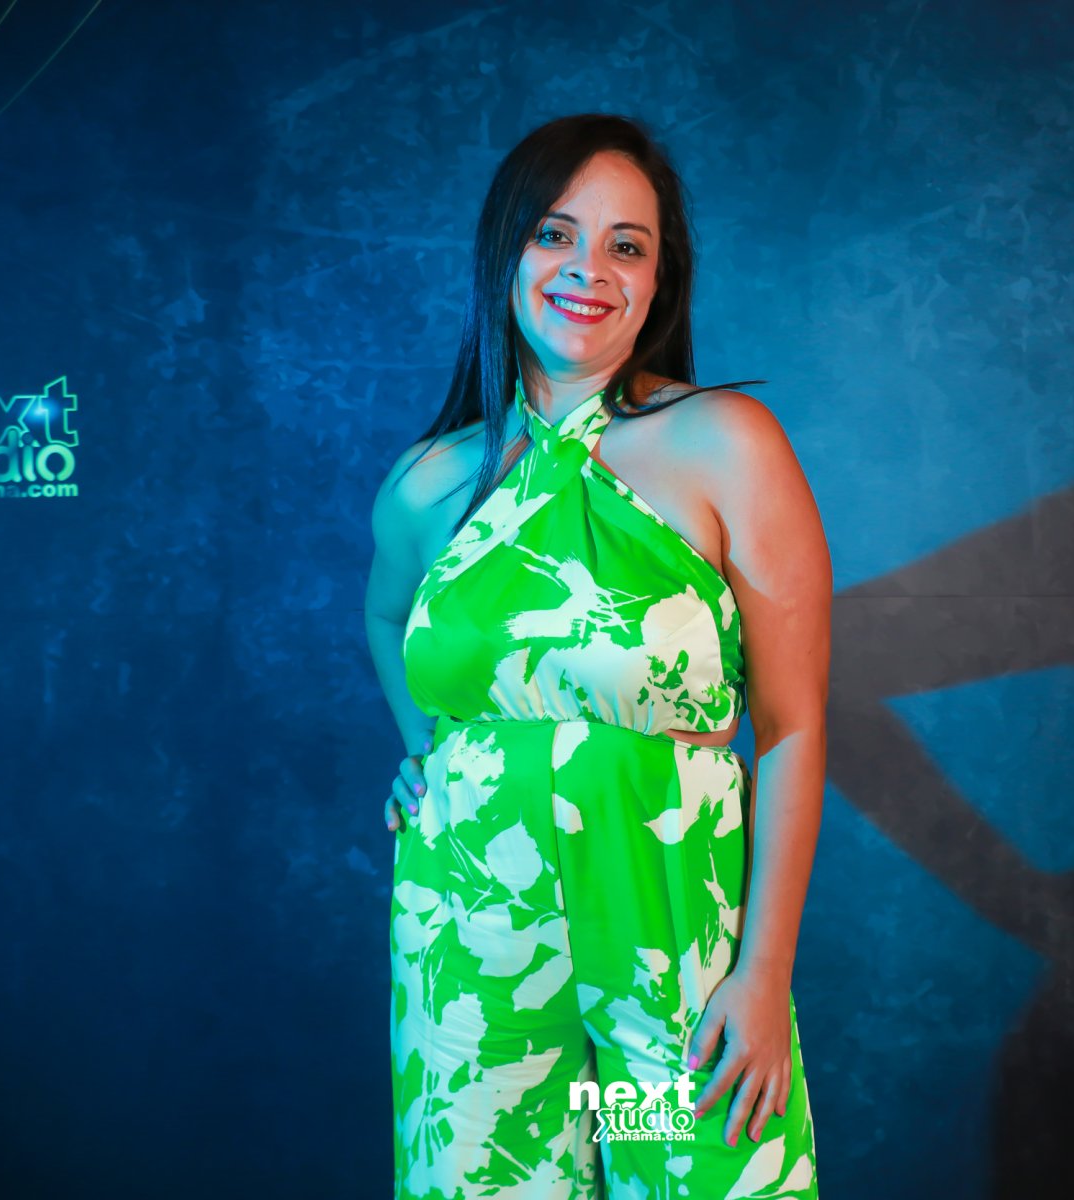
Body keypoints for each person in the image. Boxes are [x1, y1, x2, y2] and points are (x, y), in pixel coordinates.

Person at [363, 111, 830, 1199]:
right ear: (507, 250)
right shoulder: (432, 480)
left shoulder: (721, 443)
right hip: (469, 937)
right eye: (555, 234)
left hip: (664, 939)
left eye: (628, 245)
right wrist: (435, 751)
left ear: (660, 281)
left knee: (693, 1177)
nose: (589, 270)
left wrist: (763, 974)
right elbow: (388, 619)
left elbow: (793, 727)